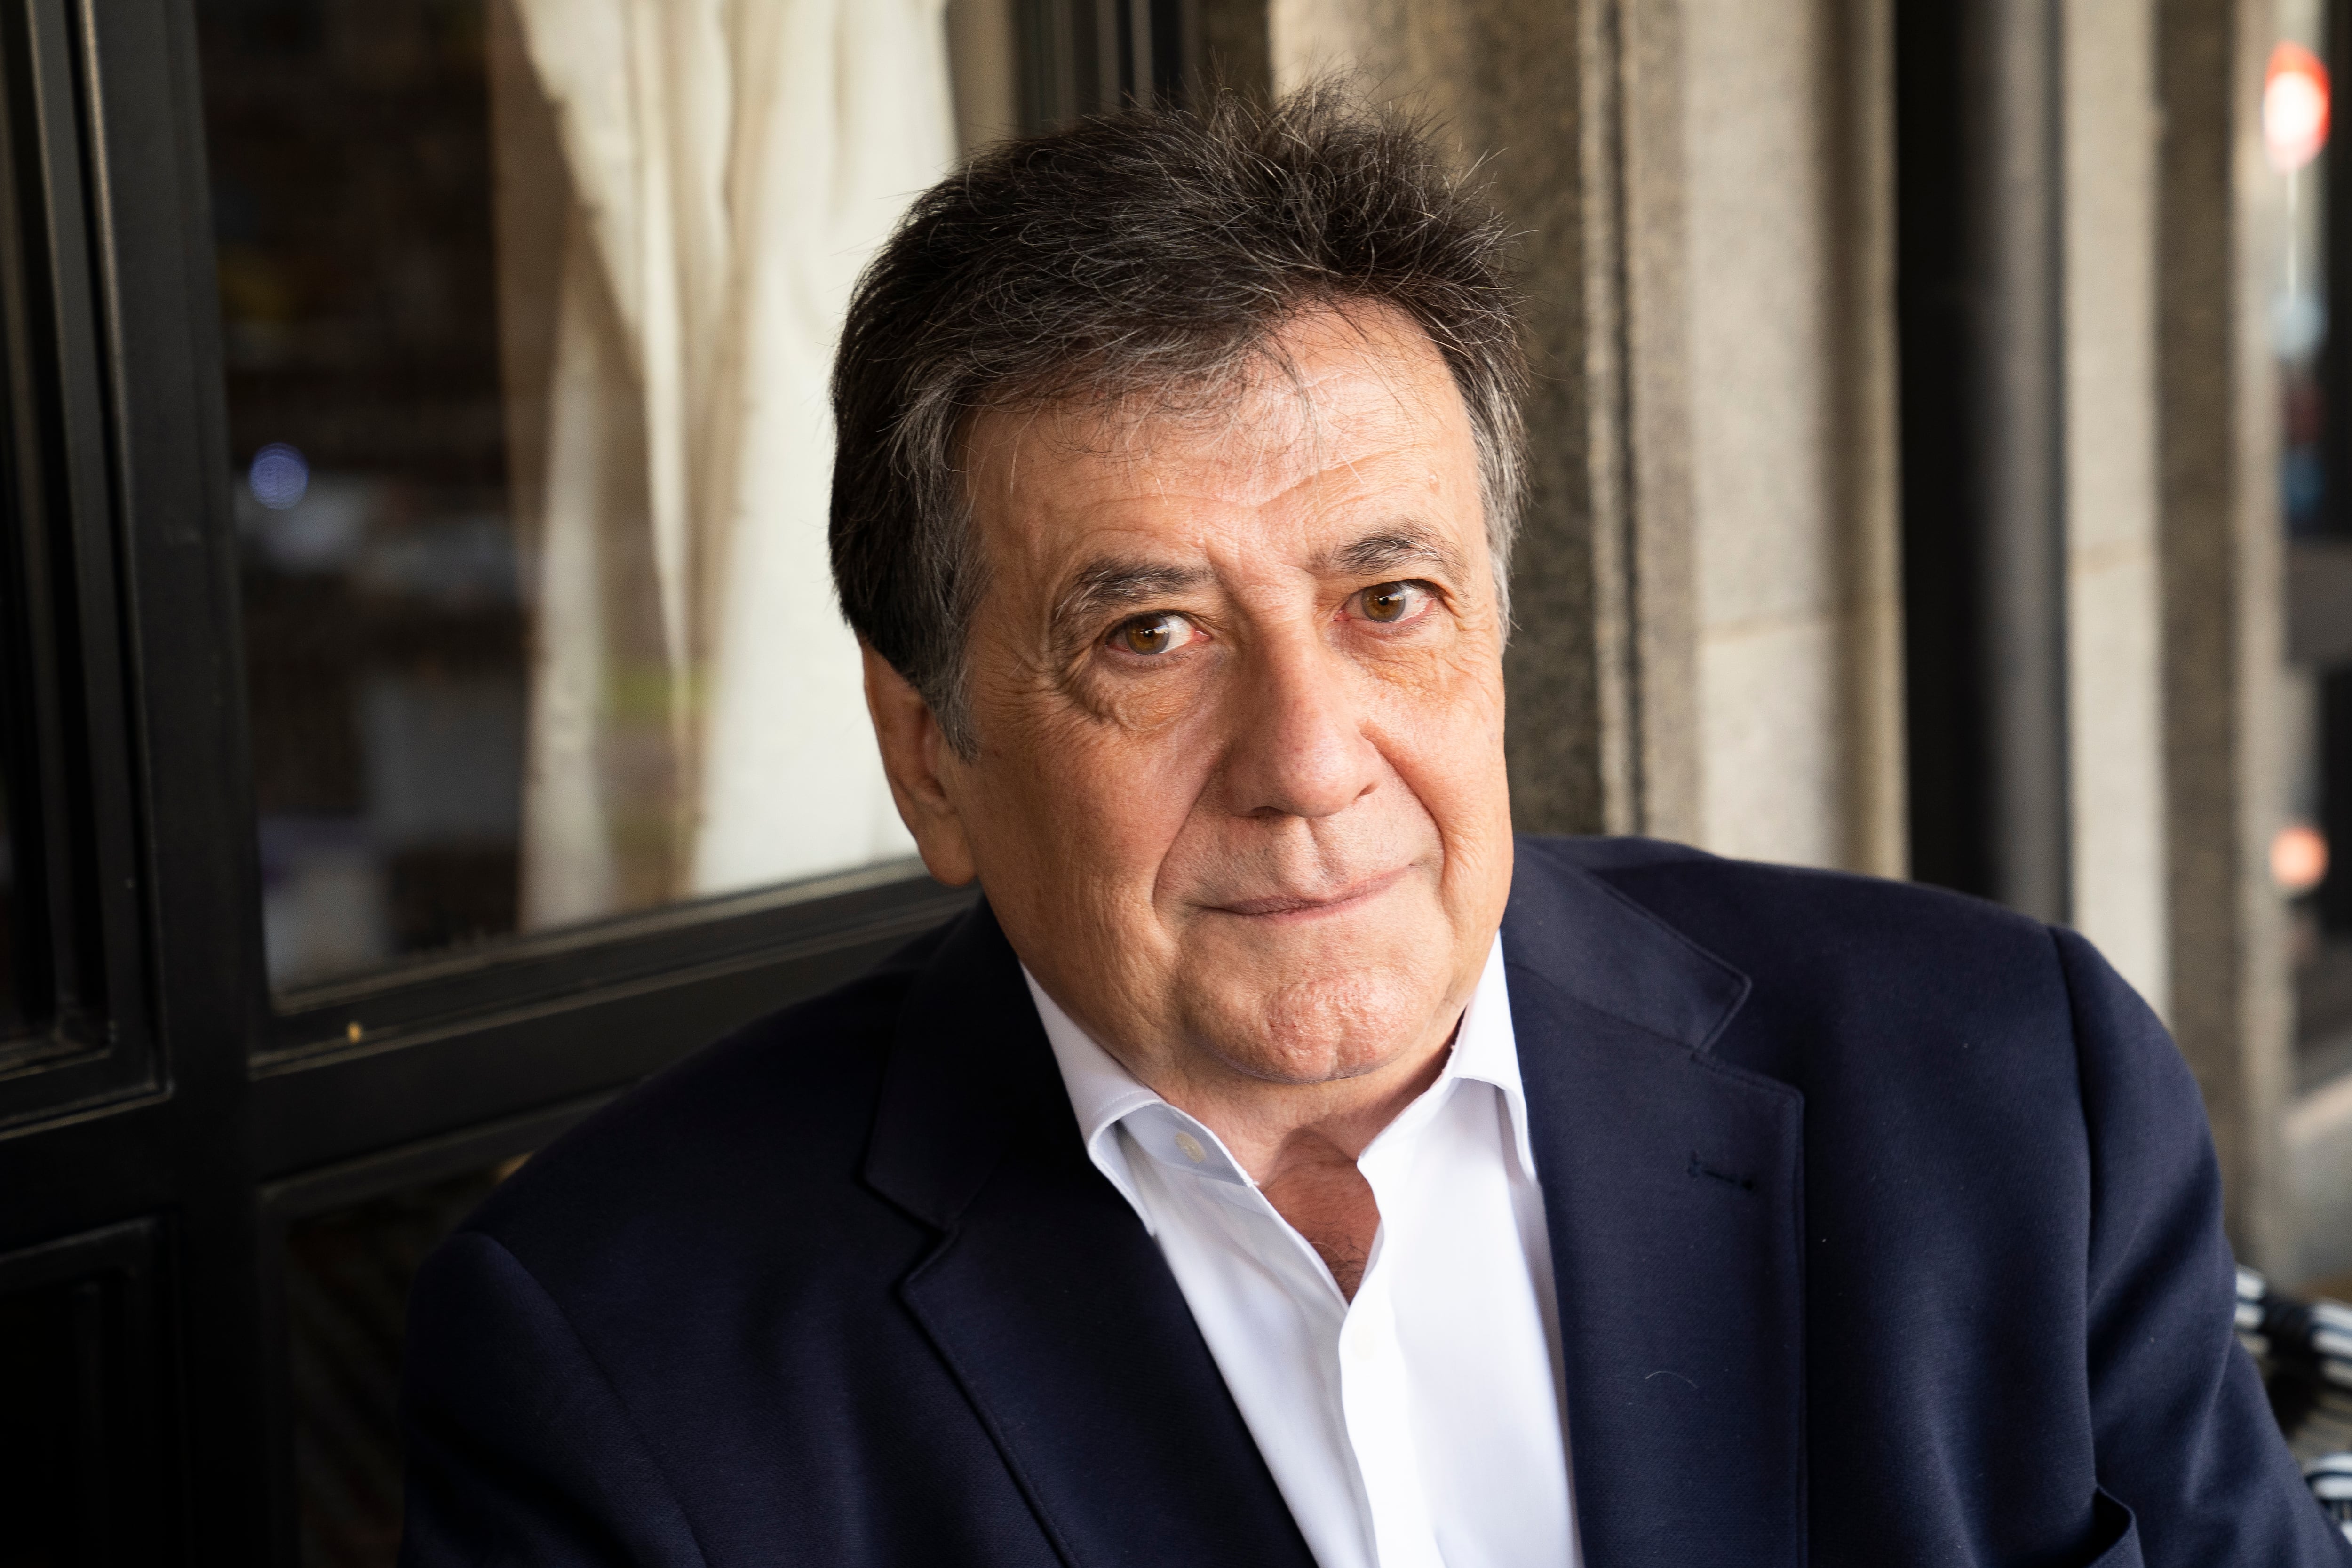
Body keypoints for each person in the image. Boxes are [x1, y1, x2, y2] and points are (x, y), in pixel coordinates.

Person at [397, 90, 2346, 1568]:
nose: (1309, 759)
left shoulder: (2003, 1087)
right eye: (1146, 634)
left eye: (1385, 600)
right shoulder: (623, 1355)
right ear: (929, 756)